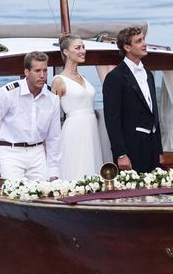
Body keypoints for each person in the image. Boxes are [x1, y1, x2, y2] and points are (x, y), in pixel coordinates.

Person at [0, 51, 61, 181]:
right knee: (15, 195)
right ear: (26, 72)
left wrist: (53, 171)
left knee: (43, 195)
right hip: (10, 153)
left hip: (38, 153)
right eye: (37, 71)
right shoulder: (7, 93)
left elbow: (54, 137)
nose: (42, 75)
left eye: (45, 71)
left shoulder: (53, 97)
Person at [103, 26, 163, 173]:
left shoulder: (148, 74)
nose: (144, 44)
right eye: (139, 41)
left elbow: (153, 111)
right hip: (131, 147)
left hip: (151, 145)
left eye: (144, 39)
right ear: (127, 47)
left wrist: (159, 149)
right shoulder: (115, 78)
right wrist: (121, 154)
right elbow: (112, 119)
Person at [51, 33, 103, 180]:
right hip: (74, 130)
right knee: (76, 167)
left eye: (83, 47)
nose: (83, 51)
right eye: (78, 47)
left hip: (91, 128)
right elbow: (51, 115)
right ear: (66, 52)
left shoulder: (84, 78)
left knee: (92, 166)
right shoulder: (59, 80)